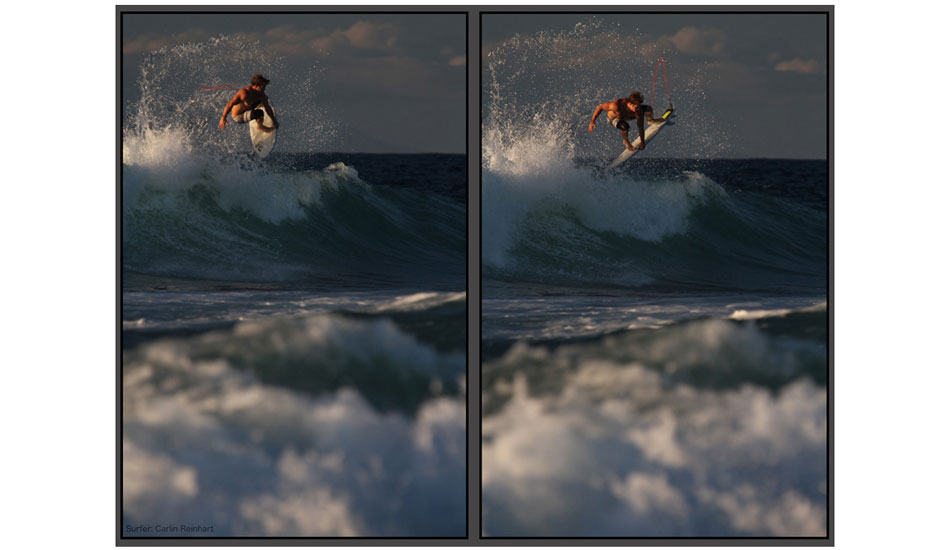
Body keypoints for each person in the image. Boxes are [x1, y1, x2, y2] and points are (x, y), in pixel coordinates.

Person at [588, 90, 662, 151]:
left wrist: (642, 142)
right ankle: (626, 141)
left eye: (639, 106)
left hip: (627, 116)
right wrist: (592, 121)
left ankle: (651, 120)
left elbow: (640, 127)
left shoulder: (637, 109)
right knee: (625, 126)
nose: (638, 109)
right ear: (630, 104)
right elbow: (600, 108)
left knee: (648, 108)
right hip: (614, 119)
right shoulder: (616, 105)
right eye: (636, 107)